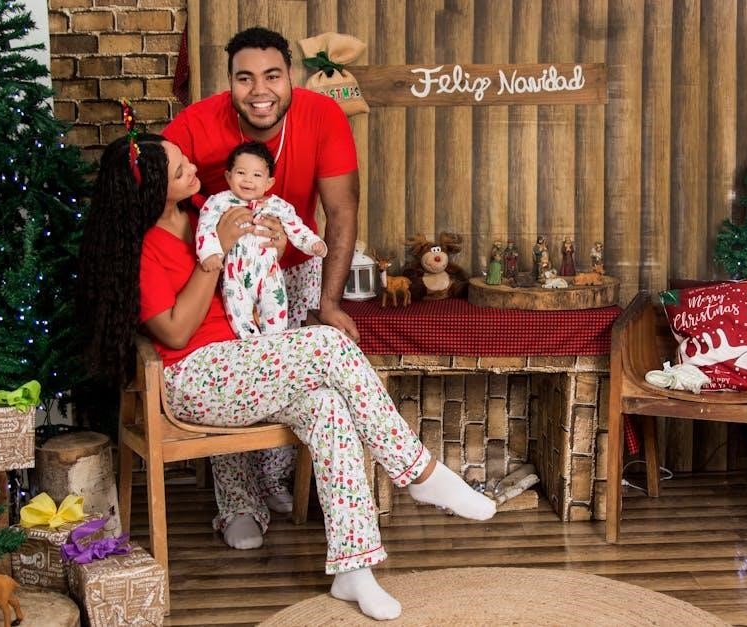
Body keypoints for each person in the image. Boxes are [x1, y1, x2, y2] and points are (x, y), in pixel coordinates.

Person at [78, 134, 497, 621]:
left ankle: (354, 568)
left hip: (245, 361)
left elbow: (250, 275)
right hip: (195, 379)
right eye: (179, 170)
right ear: (151, 190)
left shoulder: (205, 212)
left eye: (185, 160)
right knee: (328, 343)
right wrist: (216, 255)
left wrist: (269, 248)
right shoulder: (144, 247)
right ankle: (419, 472)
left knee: (329, 408)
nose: (192, 168)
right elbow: (174, 331)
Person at [162, 26, 361, 546]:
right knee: (235, 375)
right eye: (244, 78)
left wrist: (329, 302)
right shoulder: (197, 122)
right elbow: (149, 181)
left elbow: (341, 211)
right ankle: (238, 503)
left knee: (291, 382)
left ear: (290, 75)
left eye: (272, 75)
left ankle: (276, 482)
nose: (259, 90)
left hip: (296, 269)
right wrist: (208, 239)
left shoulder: (323, 115)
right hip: (225, 272)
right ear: (229, 81)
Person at [197, 140, 327, 338]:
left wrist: (312, 242)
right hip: (235, 276)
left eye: (257, 175)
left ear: (269, 183)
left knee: (276, 314)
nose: (248, 180)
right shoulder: (219, 202)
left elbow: (295, 227)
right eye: (241, 173)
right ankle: (252, 347)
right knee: (240, 318)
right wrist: (209, 253)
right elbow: (205, 226)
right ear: (228, 176)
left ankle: (274, 346)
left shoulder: (277, 206)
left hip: (269, 274)